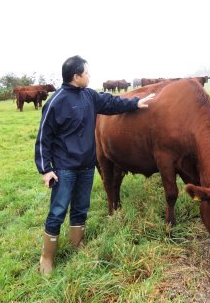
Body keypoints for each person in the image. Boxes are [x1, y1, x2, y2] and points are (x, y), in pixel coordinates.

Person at [35, 55, 155, 275]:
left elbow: (111, 103)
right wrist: (46, 169)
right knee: (58, 210)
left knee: (81, 207)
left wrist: (135, 103)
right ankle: (47, 257)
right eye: (87, 72)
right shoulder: (55, 102)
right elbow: (44, 137)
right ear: (76, 76)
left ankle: (77, 244)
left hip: (86, 166)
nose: (90, 76)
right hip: (64, 168)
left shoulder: (89, 96)